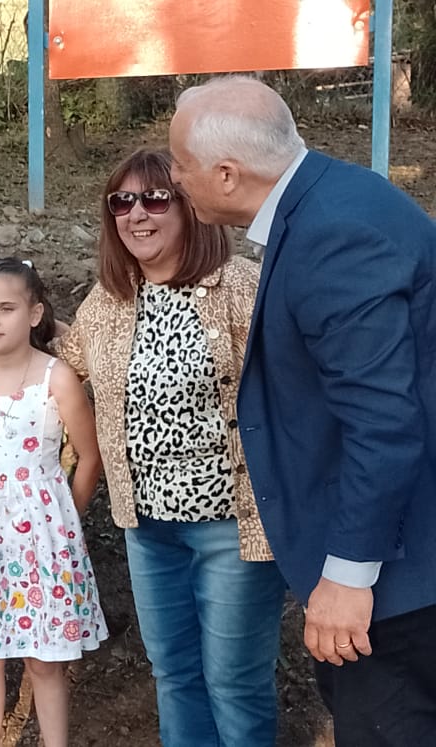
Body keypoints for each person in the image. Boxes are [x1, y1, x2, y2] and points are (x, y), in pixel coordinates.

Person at [168, 76, 436, 743]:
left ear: (227, 174)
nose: (174, 179)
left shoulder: (329, 236)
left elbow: (383, 421)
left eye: (181, 164)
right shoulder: (338, 197)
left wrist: (348, 575)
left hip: (400, 583)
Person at [57, 148, 285, 746]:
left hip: (232, 528)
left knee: (234, 682)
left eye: (155, 199)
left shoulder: (241, 287)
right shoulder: (108, 302)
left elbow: (298, 382)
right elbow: (62, 364)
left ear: (188, 207)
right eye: (122, 202)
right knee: (174, 674)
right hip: (147, 529)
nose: (137, 214)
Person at [0, 258, 105, 747]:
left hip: (42, 539)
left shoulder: (57, 378)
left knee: (45, 659)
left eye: (6, 309)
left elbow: (90, 456)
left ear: (35, 314)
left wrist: (66, 521)